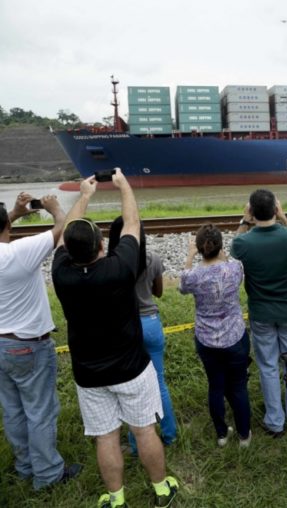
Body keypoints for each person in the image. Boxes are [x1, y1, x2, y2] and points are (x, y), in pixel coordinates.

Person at [51, 169, 178, 508]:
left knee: (105, 437)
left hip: (89, 374)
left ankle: (116, 497)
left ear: (68, 250)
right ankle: (161, 489)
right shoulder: (119, 269)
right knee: (144, 430)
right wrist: (123, 186)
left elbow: (64, 236)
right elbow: (132, 224)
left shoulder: (61, 273)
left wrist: (84, 196)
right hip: (131, 369)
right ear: (101, 245)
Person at [0, 193, 83, 490]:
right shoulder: (19, 253)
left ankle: (25, 466)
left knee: (13, 409)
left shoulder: (15, 251)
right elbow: (64, 229)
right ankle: (47, 474)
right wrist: (55, 208)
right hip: (27, 344)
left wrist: (15, 213)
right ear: (7, 225)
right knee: (40, 411)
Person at [232, 189, 287, 437]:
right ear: (275, 209)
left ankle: (275, 421)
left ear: (252, 212)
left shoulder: (244, 242)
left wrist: (244, 221)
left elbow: (233, 249)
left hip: (261, 312)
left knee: (268, 366)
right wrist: (283, 217)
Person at [108, 217, 178, 452]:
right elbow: (158, 292)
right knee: (159, 382)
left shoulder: (111, 263)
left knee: (132, 387)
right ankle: (169, 434)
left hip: (126, 327)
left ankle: (136, 444)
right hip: (151, 324)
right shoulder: (153, 258)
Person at [180, 224, 252, 446]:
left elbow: (183, 285)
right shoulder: (235, 268)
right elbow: (230, 262)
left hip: (206, 340)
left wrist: (190, 256)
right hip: (235, 336)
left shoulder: (194, 275)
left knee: (216, 386)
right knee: (238, 387)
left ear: (200, 248)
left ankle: (222, 434)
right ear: (220, 246)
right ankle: (244, 435)